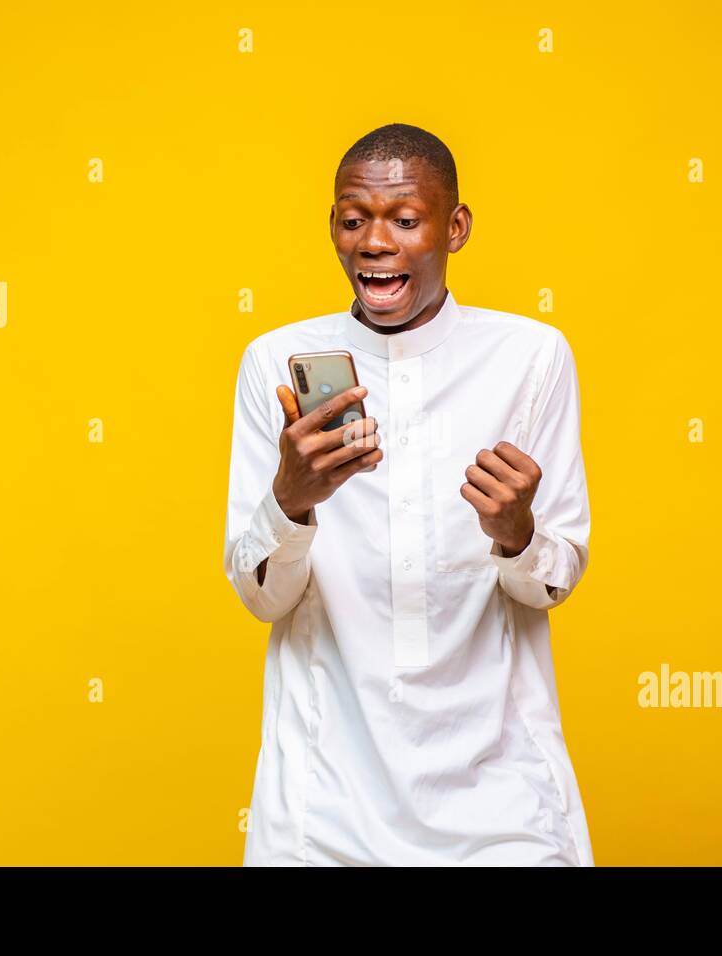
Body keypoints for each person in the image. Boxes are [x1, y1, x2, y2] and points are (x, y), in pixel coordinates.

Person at [223, 123, 593, 865]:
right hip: (323, 803)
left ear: (454, 229)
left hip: (502, 799)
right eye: (354, 219)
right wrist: (291, 502)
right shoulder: (274, 361)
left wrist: (517, 531)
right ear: (333, 226)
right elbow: (261, 597)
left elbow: (553, 581)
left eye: (404, 219)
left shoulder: (530, 357)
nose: (374, 242)